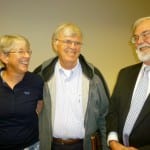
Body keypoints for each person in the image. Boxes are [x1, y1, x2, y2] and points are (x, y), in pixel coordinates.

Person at [33, 23, 110, 150]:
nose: (73, 47)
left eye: (77, 43)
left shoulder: (94, 76)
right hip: (51, 145)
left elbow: (105, 115)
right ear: (55, 43)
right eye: (68, 42)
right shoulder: (41, 75)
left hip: (84, 146)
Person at [107, 16, 150, 150]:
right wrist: (113, 141)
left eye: (146, 35)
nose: (140, 42)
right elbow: (113, 111)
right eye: (136, 38)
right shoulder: (125, 74)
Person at [0, 34, 44, 150]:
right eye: (21, 51)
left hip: (31, 146)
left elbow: (39, 109)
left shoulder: (36, 81)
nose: (27, 56)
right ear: (5, 57)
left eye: (28, 52)